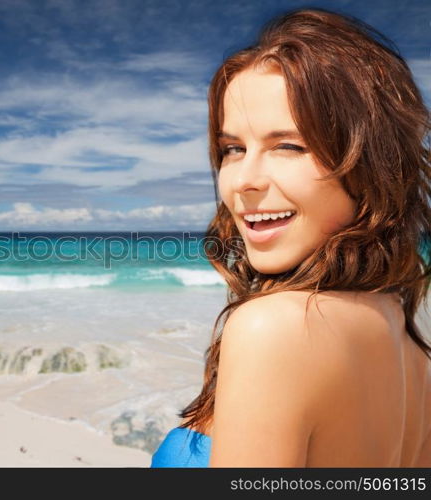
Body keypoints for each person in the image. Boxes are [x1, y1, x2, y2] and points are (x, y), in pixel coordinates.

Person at [151, 7, 431, 467]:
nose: (243, 180)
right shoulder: (406, 339)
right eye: (233, 149)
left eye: (288, 146)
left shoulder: (274, 329)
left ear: (370, 164)